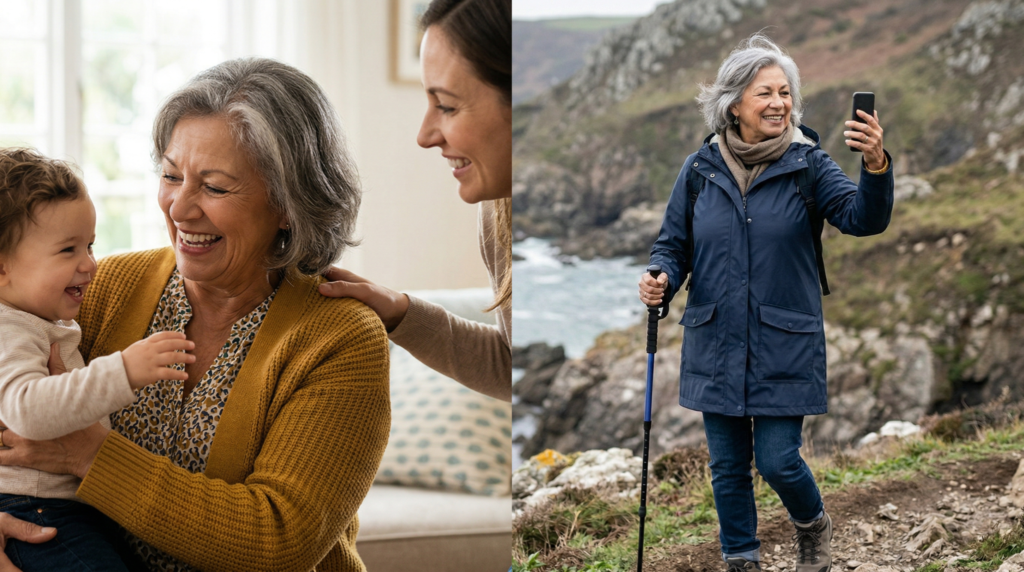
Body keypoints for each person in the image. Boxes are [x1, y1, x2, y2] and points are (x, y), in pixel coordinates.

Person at [0, 59, 390, 572]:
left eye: (215, 186)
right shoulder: (103, 287)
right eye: (170, 176)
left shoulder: (340, 339)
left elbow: (280, 540)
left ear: (288, 204)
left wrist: (89, 454)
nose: (179, 208)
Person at [638, 34, 894, 572]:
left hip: (784, 341)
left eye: (785, 92)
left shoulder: (809, 164)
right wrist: (661, 278)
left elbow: (862, 219)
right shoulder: (699, 169)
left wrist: (875, 164)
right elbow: (673, 245)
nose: (779, 103)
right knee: (728, 467)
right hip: (715, 338)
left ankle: (813, 526)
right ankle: (741, 560)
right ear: (734, 104)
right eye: (766, 93)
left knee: (778, 460)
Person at [0, 148, 197, 570]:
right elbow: (25, 410)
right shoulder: (9, 328)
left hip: (65, 508)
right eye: (67, 250)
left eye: (89, 245)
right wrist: (122, 371)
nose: (90, 265)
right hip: (35, 511)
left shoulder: (39, 314)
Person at [319, 0, 512, 403]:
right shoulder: (498, 210)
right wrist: (399, 312)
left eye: (447, 106)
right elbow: (509, 363)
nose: (424, 135)